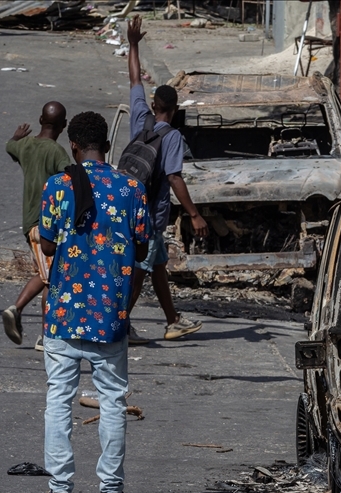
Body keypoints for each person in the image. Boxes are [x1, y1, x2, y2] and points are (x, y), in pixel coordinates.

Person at [35, 111, 151, 493]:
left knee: (58, 400)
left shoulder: (59, 185)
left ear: (73, 145)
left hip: (65, 314)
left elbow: (47, 244)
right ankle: (111, 490)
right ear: (107, 145)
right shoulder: (132, 188)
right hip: (110, 315)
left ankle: (61, 487)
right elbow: (143, 248)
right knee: (113, 402)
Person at [124, 15, 207, 344]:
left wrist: (133, 45)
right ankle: (120, 324)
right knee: (142, 269)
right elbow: (173, 177)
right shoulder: (171, 137)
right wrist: (194, 214)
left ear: (154, 105)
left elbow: (133, 79)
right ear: (173, 109)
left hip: (128, 208)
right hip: (150, 218)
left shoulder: (140, 119)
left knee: (157, 265)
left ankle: (173, 320)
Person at [2, 102, 70, 351]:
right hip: (46, 227)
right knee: (52, 279)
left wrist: (15, 137)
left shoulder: (26, 145)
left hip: (29, 222)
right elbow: (69, 180)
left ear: (40, 120)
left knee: (44, 274)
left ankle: (16, 311)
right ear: (64, 125)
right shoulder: (57, 153)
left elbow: (11, 147)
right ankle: (45, 335)